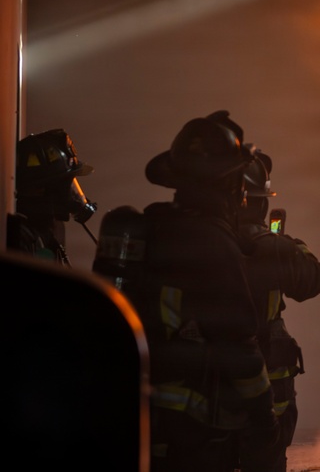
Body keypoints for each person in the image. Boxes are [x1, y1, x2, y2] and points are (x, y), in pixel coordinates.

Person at [93, 111, 277, 472]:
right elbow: (238, 346)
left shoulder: (151, 226)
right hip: (193, 435)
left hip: (141, 419)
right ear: (229, 184)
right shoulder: (212, 241)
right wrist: (264, 415)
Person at [235, 150, 320, 472]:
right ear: (256, 202)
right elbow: (312, 281)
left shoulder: (181, 240)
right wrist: (287, 243)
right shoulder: (271, 248)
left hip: (195, 399)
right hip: (264, 387)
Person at [7, 129, 97, 265]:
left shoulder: (45, 231)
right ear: (47, 188)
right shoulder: (20, 236)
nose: (75, 194)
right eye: (68, 183)